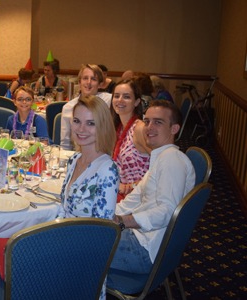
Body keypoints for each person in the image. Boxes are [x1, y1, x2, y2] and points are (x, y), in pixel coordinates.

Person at [0, 95, 119, 300]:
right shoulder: (75, 160)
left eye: (90, 123)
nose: (81, 129)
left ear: (102, 126)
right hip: (57, 242)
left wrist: (41, 241)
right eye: (77, 121)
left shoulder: (107, 169)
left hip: (71, 259)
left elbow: (101, 236)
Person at [108, 100, 195, 281]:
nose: (149, 127)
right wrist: (105, 215)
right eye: (146, 121)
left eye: (158, 122)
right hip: (139, 238)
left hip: (143, 250)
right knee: (82, 232)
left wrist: (123, 221)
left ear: (174, 129)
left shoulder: (172, 160)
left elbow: (166, 211)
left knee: (72, 246)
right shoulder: (161, 157)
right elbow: (136, 197)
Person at [110, 80, 150, 202]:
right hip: (121, 193)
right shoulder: (118, 128)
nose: (120, 100)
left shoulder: (139, 128)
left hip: (138, 197)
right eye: (116, 96)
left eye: (126, 97)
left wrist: (133, 185)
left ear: (137, 102)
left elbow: (162, 162)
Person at [59, 64, 112, 150]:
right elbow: (65, 143)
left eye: (93, 79)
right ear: (79, 82)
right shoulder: (68, 107)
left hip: (103, 153)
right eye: (85, 78)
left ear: (100, 84)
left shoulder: (108, 101)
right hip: (77, 154)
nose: (89, 82)